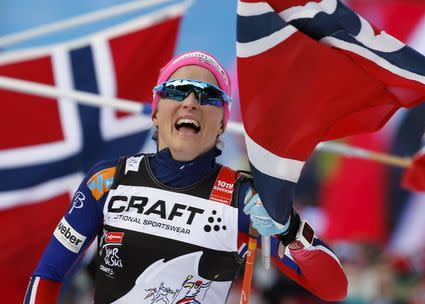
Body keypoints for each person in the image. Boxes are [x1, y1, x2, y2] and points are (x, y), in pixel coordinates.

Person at [23, 50, 348, 303]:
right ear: (155, 109)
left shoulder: (244, 199)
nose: (191, 102)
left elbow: (333, 287)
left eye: (208, 95)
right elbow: (49, 274)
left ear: (222, 121)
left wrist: (289, 227)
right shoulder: (108, 181)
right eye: (178, 91)